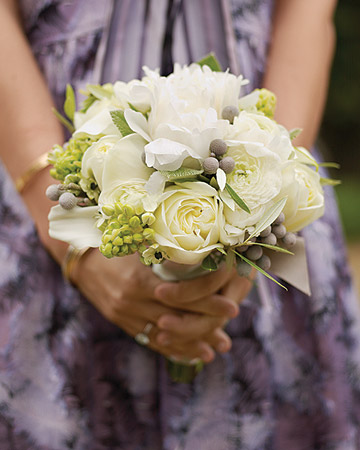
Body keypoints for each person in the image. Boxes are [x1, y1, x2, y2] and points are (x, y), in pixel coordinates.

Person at [0, 0, 359, 449]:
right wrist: (73, 241)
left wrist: (260, 207)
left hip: (265, 142)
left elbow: (306, 12)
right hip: (42, 159)